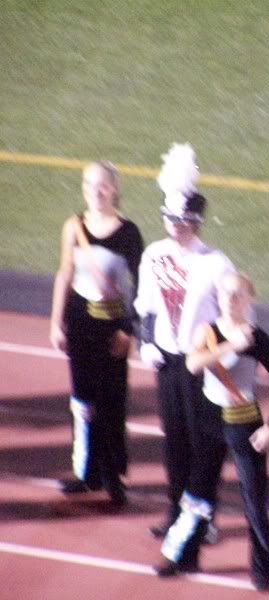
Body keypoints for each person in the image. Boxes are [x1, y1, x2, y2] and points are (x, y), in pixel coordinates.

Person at [152, 271, 269, 589]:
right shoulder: (208, 332)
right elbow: (192, 364)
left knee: (254, 497)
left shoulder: (257, 338)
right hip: (209, 419)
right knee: (197, 491)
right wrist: (230, 345)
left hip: (244, 421)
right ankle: (180, 555)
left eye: (238, 294)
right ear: (217, 297)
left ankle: (263, 567)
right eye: (226, 293)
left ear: (249, 299)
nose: (231, 299)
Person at [134, 144, 233, 553]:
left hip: (202, 366)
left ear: (197, 222)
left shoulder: (216, 263)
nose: (177, 227)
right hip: (167, 363)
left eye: (185, 221)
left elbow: (229, 318)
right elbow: (144, 306)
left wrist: (219, 358)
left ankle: (203, 518)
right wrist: (146, 342)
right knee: (173, 441)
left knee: (203, 444)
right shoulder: (153, 255)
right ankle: (176, 512)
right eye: (172, 219)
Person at [50, 161, 144, 506]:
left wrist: (128, 329)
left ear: (115, 188)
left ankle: (113, 474)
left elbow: (141, 284)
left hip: (112, 324)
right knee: (83, 399)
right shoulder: (73, 226)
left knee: (112, 400)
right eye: (90, 184)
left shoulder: (128, 232)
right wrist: (55, 321)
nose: (96, 191)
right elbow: (65, 273)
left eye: (103, 185)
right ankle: (86, 471)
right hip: (80, 321)